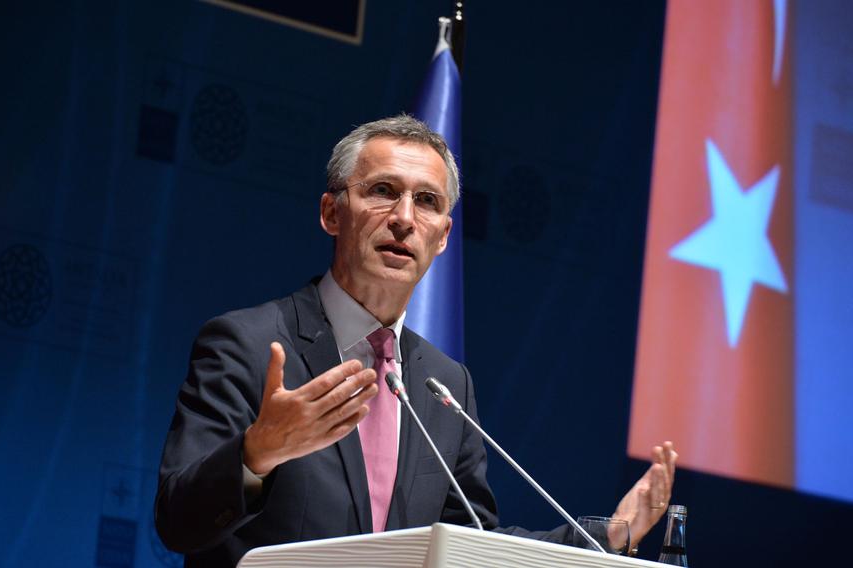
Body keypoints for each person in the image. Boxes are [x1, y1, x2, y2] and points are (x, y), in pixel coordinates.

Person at [155, 115, 678, 567]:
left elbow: (468, 549)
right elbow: (177, 521)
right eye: (382, 191)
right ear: (331, 213)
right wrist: (257, 453)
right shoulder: (246, 344)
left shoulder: (446, 385)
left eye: (426, 201)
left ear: (444, 235)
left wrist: (602, 537)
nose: (404, 218)